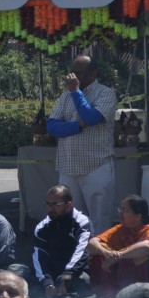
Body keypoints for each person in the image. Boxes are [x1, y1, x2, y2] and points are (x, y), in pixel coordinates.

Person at [46, 55, 118, 235]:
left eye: (78, 72)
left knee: (100, 221)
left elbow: (91, 118)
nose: (72, 76)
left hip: (96, 166)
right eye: (72, 71)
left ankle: (99, 253)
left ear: (93, 73)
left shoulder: (106, 93)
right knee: (72, 220)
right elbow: (51, 126)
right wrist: (77, 126)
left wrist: (76, 92)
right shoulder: (66, 95)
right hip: (68, 168)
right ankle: (78, 253)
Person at [87, 195, 149, 298]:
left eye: (125, 210)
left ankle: (141, 296)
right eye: (120, 209)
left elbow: (147, 247)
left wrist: (119, 255)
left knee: (141, 257)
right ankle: (109, 294)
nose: (120, 213)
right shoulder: (120, 229)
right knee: (99, 250)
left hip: (145, 283)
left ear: (138, 216)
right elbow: (92, 243)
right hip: (122, 279)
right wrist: (106, 253)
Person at [32, 184, 93, 298]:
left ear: (68, 205)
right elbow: (39, 257)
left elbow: (82, 252)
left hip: (75, 274)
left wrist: (66, 278)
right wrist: (48, 283)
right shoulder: (41, 227)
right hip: (53, 275)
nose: (50, 208)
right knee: (19, 277)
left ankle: (68, 295)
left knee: (83, 282)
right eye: (48, 204)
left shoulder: (82, 222)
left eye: (55, 204)